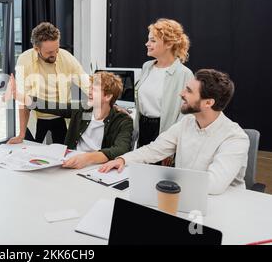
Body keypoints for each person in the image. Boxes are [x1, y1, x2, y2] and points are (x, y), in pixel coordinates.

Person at [99, 69, 249, 195]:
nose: (181, 94)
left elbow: (213, 184)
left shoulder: (235, 138)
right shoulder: (186, 123)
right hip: (185, 198)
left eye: (189, 91)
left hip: (224, 206)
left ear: (208, 103)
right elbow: (154, 150)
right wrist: (122, 160)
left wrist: (164, 178)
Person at [16, 72, 133, 169]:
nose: (90, 92)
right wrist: (18, 95)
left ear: (108, 97)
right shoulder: (82, 110)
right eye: (90, 88)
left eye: (95, 89)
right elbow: (49, 105)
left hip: (97, 167)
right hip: (71, 163)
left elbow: (121, 149)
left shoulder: (123, 121)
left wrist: (88, 158)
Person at [8, 22, 89, 145]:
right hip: (36, 118)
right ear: (36, 49)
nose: (55, 54)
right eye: (50, 52)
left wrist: (110, 103)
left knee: (64, 157)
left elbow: (86, 83)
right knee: (28, 155)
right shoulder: (23, 60)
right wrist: (21, 134)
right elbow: (24, 100)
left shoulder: (66, 57)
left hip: (61, 116)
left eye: (57, 49)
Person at [135, 19, 194, 165]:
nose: (147, 44)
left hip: (164, 132)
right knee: (140, 174)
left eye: (153, 40)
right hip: (143, 128)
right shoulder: (147, 67)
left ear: (168, 44)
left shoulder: (184, 74)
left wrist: (172, 147)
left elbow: (185, 117)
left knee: (159, 180)